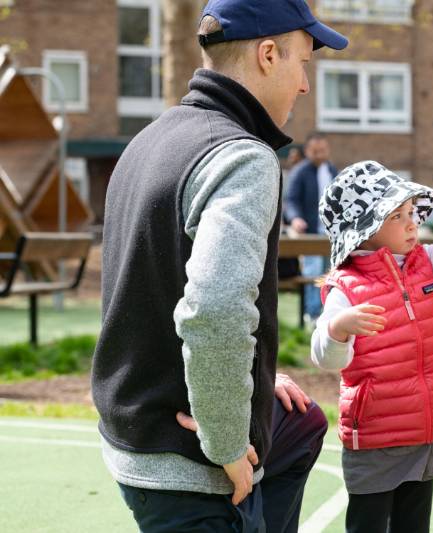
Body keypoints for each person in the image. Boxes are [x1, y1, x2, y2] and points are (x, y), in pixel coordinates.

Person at [91, 1, 347, 532]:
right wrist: (227, 439)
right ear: (268, 54)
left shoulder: (148, 142)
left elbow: (149, 285)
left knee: (302, 426)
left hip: (129, 430)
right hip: (186, 462)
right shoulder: (242, 158)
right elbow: (214, 311)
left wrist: (251, 377)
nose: (304, 86)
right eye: (304, 64)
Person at [311, 161, 433, 533]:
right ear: (365, 230)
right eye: (397, 216)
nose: (412, 223)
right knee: (368, 525)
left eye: (411, 212)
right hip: (377, 437)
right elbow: (325, 357)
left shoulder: (425, 265)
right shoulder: (346, 286)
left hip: (423, 428)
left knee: (414, 524)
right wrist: (338, 329)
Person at [284, 132, 338, 325]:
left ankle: (327, 312)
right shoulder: (300, 171)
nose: (319, 154)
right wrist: (296, 218)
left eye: (323, 150)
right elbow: (290, 200)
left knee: (330, 274)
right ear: (307, 151)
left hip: (330, 234)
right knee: (313, 272)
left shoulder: (331, 170)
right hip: (310, 233)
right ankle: (312, 313)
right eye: (315, 151)